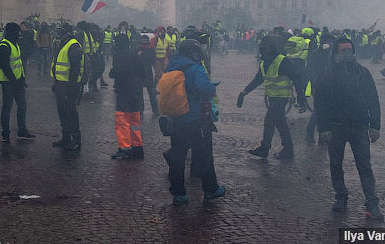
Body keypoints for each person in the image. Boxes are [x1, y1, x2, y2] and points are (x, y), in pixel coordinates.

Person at [314, 36, 383, 221]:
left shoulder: (362, 72)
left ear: (353, 52)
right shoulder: (327, 73)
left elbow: (373, 100)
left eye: (348, 51)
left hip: (359, 126)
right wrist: (323, 128)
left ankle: (372, 203)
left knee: (365, 166)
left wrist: (375, 125)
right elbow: (320, 102)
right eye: (342, 51)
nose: (346, 55)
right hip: (335, 127)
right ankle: (341, 197)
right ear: (335, 53)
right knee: (336, 164)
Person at [161, 39, 224, 206]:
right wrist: (212, 87)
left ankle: (178, 194)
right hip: (196, 119)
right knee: (204, 155)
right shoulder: (196, 69)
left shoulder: (171, 66)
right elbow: (206, 89)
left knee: (177, 157)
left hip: (176, 118)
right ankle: (211, 189)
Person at [238, 37, 303, 160]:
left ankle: (264, 148)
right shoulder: (264, 63)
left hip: (281, 98)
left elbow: (297, 78)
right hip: (272, 98)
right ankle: (288, 150)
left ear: (272, 47)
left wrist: (301, 97)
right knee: (280, 123)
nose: (264, 51)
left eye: (267, 48)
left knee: (269, 121)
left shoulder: (283, 61)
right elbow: (258, 80)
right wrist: (244, 91)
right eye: (262, 48)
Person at [110, 33, 153, 159]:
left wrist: (112, 73)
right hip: (136, 91)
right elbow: (143, 72)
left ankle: (124, 148)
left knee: (122, 121)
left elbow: (116, 72)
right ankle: (137, 148)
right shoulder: (134, 54)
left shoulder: (119, 56)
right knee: (135, 122)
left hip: (124, 92)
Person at [0, 22, 34, 143]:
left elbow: (18, 63)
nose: (19, 34)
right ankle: (5, 134)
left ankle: (22, 130)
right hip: (8, 83)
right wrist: (14, 80)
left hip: (18, 82)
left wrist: (21, 79)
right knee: (7, 107)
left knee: (22, 106)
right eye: (17, 32)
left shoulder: (14, 44)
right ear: (12, 32)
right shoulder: (4, 46)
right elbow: (5, 66)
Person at [50, 23, 86, 150]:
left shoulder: (73, 45)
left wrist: (71, 86)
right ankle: (66, 137)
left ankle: (76, 140)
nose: (57, 33)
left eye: (60, 31)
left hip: (69, 85)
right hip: (60, 83)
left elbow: (75, 68)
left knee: (70, 112)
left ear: (66, 33)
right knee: (62, 112)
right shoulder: (62, 43)